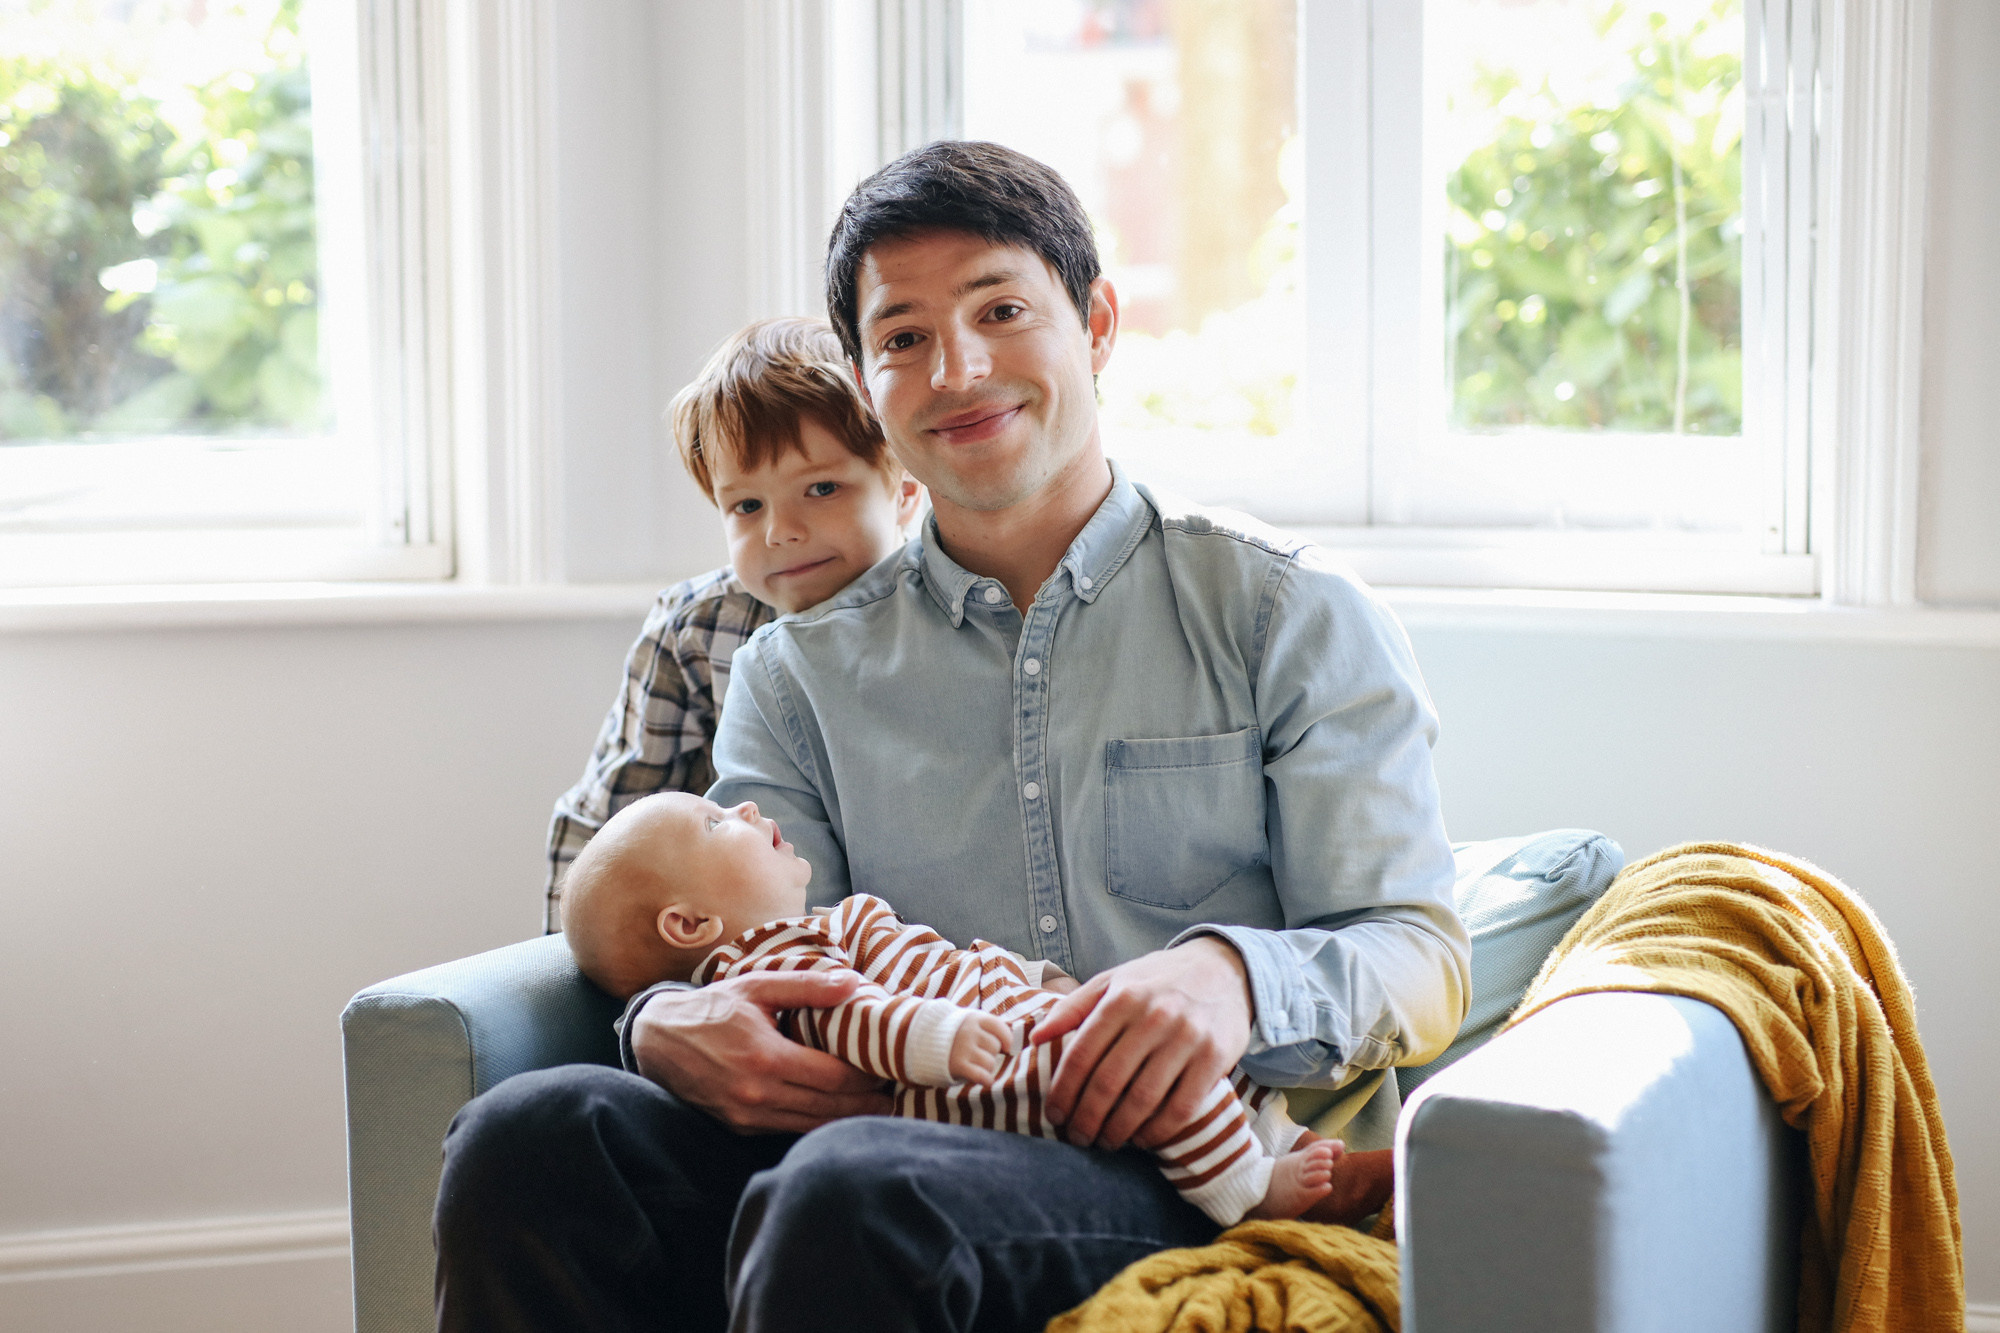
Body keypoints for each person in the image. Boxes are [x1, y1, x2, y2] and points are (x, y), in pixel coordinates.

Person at [435, 141, 1469, 1333]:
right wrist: (658, 1019)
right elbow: (749, 931)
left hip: (1184, 1167)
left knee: (856, 1192)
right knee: (533, 1135)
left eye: (1000, 309)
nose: (957, 368)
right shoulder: (794, 672)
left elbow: (1418, 952)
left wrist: (1229, 973)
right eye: (903, 337)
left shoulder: (1283, 611)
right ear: (868, 387)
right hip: (878, 1124)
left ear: (1096, 324)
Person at [559, 790, 1355, 1227]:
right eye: (717, 820)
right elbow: (845, 1012)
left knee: (1172, 1050)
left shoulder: (816, 926)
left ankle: (1279, 1147)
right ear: (691, 926)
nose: (751, 812)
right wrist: (939, 1037)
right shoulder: (771, 953)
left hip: (1008, 1039)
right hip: (983, 1077)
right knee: (1147, 1072)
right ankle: (1244, 1191)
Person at [541, 316, 923, 930]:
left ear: (903, 489)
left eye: (822, 488)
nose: (780, 531)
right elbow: (609, 820)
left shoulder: (940, 610)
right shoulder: (694, 629)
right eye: (746, 505)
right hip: (722, 937)